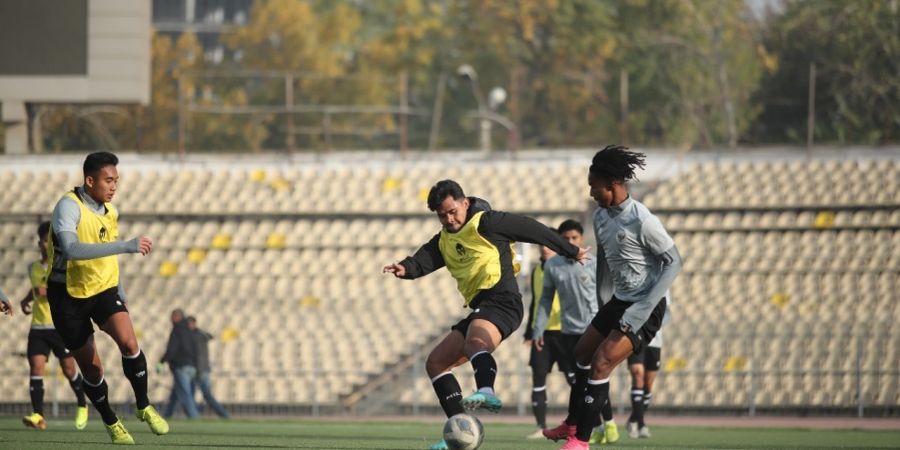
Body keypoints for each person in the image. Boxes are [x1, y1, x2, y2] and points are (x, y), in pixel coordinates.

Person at [383, 179, 590, 450]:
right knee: (435, 363)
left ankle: (487, 390)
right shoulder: (444, 239)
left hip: (503, 302)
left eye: (452, 211)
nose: (449, 219)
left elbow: (532, 229)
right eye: (442, 215)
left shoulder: (488, 223)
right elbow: (423, 260)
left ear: (465, 203)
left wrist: (570, 250)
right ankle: (461, 429)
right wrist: (406, 268)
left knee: (475, 341)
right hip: (481, 308)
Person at [555, 145, 682, 450]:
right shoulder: (600, 218)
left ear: (611, 184)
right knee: (582, 354)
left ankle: (581, 441)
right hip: (617, 302)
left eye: (593, 187)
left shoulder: (642, 219)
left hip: (644, 307)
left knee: (601, 363)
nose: (591, 194)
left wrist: (643, 308)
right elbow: (605, 265)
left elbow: (674, 262)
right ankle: (572, 423)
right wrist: (603, 304)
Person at [46, 151, 168, 444]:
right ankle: (111, 421)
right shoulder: (68, 207)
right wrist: (125, 246)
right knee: (93, 368)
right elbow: (72, 249)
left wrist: (120, 290)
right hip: (67, 296)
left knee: (129, 342)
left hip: (102, 288)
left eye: (116, 181)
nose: (114, 186)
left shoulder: (110, 211)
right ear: (90, 181)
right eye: (108, 180)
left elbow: (105, 256)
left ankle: (143, 406)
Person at [533, 220, 616, 445]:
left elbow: (607, 295)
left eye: (574, 238)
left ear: (581, 240)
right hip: (568, 331)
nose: (570, 242)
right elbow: (545, 300)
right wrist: (538, 329)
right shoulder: (552, 266)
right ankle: (585, 426)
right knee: (580, 381)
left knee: (593, 378)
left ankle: (602, 424)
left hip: (594, 328)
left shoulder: (593, 263)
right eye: (565, 239)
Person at [20, 221, 89, 431]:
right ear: (39, 242)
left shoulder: (61, 266)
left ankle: (82, 403)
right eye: (43, 240)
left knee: (69, 369)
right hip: (38, 328)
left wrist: (47, 292)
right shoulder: (32, 267)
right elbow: (36, 289)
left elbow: (69, 292)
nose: (46, 244)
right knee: (36, 367)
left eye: (49, 240)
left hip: (59, 326)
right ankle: (38, 415)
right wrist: (26, 300)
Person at [522, 243, 564, 439]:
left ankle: (589, 423)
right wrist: (529, 332)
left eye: (550, 245)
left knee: (577, 380)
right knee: (538, 380)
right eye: (542, 245)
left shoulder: (566, 267)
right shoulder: (536, 270)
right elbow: (535, 302)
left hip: (566, 333)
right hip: (541, 335)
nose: (545, 248)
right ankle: (541, 426)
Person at [626, 298, 669, 439]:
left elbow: (667, 313)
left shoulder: (664, 285)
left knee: (648, 386)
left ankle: (634, 419)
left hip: (654, 340)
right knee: (637, 375)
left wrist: (652, 324)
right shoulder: (635, 280)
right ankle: (640, 423)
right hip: (635, 337)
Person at [160, 308, 200, 419]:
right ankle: (168, 415)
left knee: (185, 393)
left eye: (173, 316)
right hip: (191, 365)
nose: (171, 319)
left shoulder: (177, 329)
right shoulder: (189, 330)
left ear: (178, 317)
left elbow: (172, 348)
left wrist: (162, 361)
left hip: (181, 365)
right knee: (176, 393)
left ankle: (195, 418)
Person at [187, 316, 230, 418]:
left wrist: (200, 369)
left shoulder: (197, 336)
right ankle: (195, 416)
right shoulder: (196, 335)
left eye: (189, 323)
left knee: (206, 395)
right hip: (197, 369)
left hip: (200, 369)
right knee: (193, 395)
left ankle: (224, 415)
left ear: (194, 323)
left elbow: (200, 355)